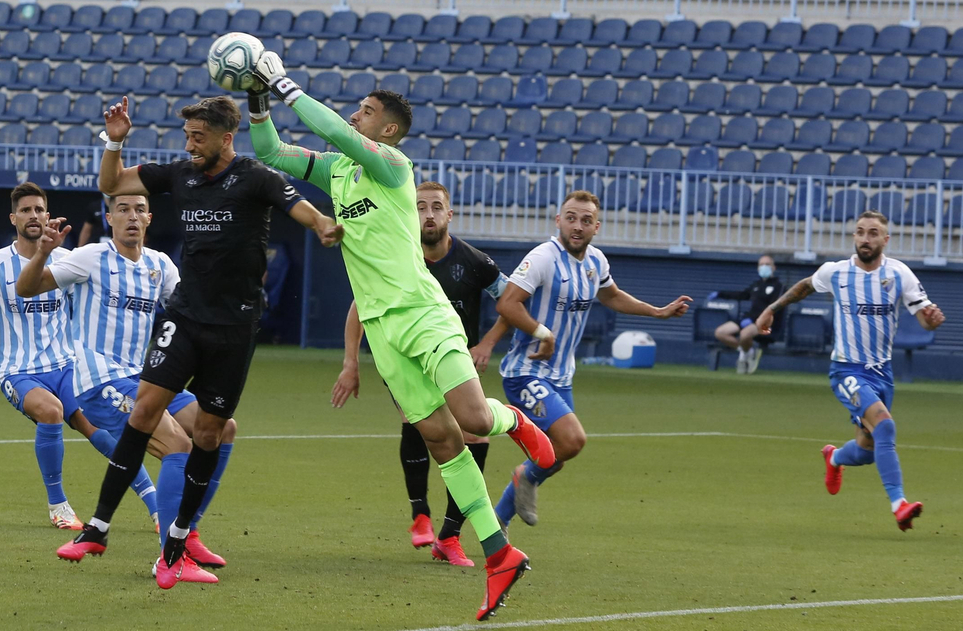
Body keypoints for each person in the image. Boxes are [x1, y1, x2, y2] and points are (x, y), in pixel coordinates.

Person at [246, 65, 554, 622]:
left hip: (422, 311)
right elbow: (269, 150)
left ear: (387, 131)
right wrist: (257, 97)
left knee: (476, 423)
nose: (356, 115)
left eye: (366, 111)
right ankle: (499, 556)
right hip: (382, 331)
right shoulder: (338, 171)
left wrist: (286, 83)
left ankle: (519, 423)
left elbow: (340, 133)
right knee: (440, 440)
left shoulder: (393, 167)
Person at [58, 95, 340, 588]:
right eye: (187, 136)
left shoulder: (254, 177)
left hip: (234, 329)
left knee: (211, 434)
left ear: (225, 138)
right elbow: (111, 183)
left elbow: (296, 203)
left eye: (198, 137)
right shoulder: (179, 175)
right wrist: (115, 142)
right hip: (184, 317)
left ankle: (178, 543)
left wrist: (320, 224)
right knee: (145, 411)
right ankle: (97, 528)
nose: (189, 145)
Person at [19, 193, 231, 578]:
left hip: (146, 378)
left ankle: (188, 532)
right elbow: (25, 288)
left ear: (149, 218)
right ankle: (171, 558)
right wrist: (43, 254)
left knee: (220, 428)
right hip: (99, 381)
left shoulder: (159, 265)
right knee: (178, 445)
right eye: (122, 210)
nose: (131, 216)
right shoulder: (89, 258)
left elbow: (189, 314)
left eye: (138, 210)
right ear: (109, 218)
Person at [332, 180, 509, 568]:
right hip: (407, 358)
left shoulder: (476, 262)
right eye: (420, 207)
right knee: (421, 424)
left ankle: (450, 534)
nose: (428, 215)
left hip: (453, 360)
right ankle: (420, 514)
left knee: (475, 433)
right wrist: (351, 363)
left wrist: (488, 344)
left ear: (450, 214)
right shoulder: (397, 255)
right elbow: (359, 307)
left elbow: (512, 299)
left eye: (435, 207)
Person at [492, 192, 691, 531]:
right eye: (570, 217)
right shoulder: (542, 257)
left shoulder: (596, 261)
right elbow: (508, 304)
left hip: (561, 376)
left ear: (596, 227)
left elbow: (610, 294)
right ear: (558, 220)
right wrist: (544, 333)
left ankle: (497, 522)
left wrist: (656, 312)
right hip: (525, 371)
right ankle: (525, 476)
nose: (577, 226)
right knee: (571, 441)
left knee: (556, 454)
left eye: (586, 220)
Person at [0, 183, 160, 532]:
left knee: (104, 432)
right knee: (51, 412)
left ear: (48, 215)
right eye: (27, 210)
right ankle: (58, 505)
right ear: (13, 217)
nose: (34, 216)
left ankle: (155, 508)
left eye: (39, 210)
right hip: (19, 370)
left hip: (68, 366)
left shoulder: (68, 259)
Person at [756, 210, 944, 532]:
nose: (865, 239)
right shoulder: (837, 273)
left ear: (885, 240)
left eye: (873, 233)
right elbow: (804, 286)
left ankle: (834, 458)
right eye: (860, 232)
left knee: (868, 450)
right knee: (885, 427)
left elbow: (923, 317)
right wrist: (771, 310)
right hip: (846, 370)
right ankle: (899, 505)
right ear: (854, 237)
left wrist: (932, 318)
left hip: (882, 373)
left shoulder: (900, 274)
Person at [709, 253, 786, 374]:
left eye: (767, 264)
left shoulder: (779, 286)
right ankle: (747, 352)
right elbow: (741, 295)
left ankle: (743, 357)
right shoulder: (756, 285)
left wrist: (754, 320)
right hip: (749, 319)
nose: (764, 267)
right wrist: (720, 294)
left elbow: (773, 308)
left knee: (745, 335)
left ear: (774, 267)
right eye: (761, 264)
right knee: (720, 332)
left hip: (766, 324)